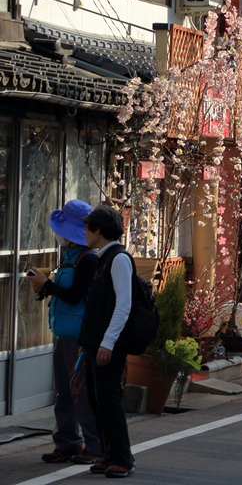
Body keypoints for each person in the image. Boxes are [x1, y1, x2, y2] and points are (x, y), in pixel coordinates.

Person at [26, 200, 102, 465]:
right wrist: (45, 287)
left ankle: (94, 446)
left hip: (79, 337)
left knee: (79, 393)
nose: (56, 234)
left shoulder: (88, 260)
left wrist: (48, 285)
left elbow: (75, 295)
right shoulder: (71, 259)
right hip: (63, 333)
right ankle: (68, 443)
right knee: (64, 393)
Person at [77, 205, 135, 478]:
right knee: (96, 399)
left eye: (87, 228)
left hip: (108, 344)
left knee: (108, 400)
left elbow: (123, 304)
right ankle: (108, 455)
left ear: (98, 230)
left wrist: (108, 342)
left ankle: (122, 458)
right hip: (95, 341)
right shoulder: (103, 257)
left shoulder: (119, 258)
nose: (84, 233)